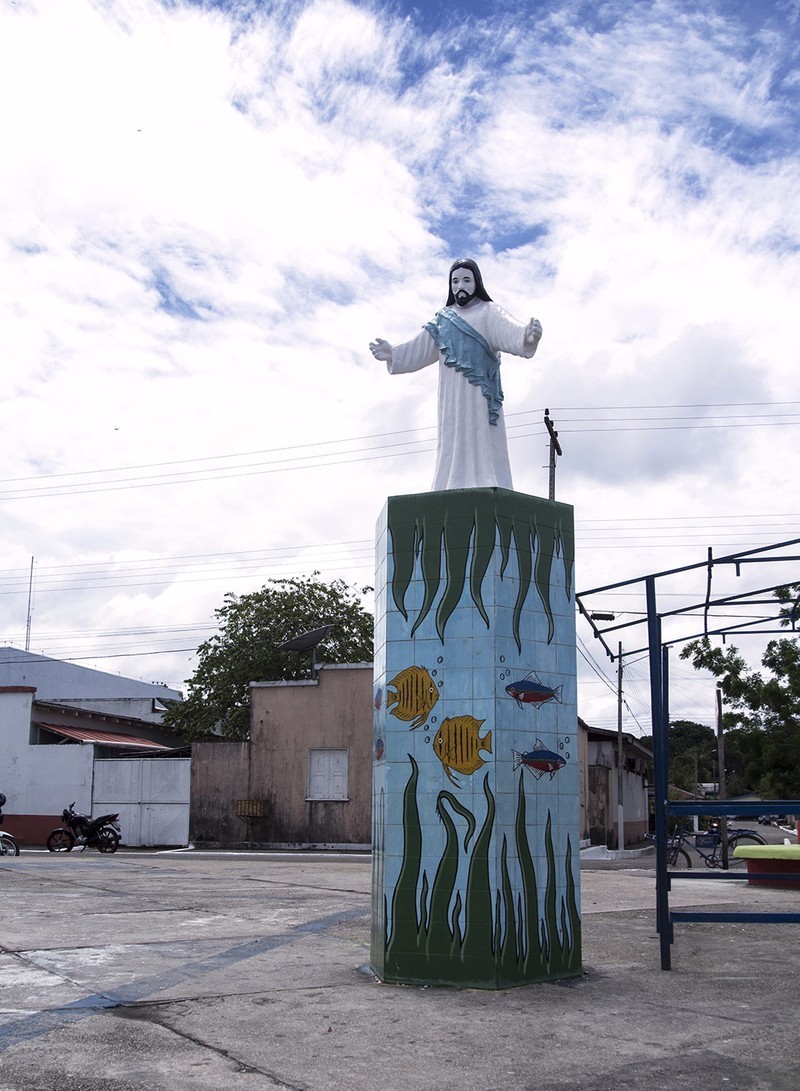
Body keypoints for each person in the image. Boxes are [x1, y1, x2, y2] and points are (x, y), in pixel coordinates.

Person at [370, 258, 543, 491]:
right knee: (453, 437)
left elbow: (510, 331)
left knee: (483, 438)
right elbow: (419, 348)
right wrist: (394, 354)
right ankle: (449, 483)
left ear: (476, 282)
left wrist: (527, 335)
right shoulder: (443, 320)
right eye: (455, 281)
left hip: (480, 396)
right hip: (452, 397)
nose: (460, 285)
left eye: (466, 280)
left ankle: (489, 481)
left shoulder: (488, 312)